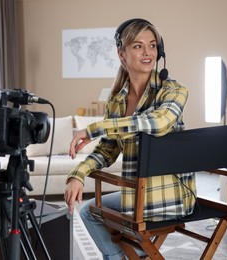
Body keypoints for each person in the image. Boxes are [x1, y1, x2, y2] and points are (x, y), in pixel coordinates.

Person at [64, 18, 197, 260]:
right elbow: (107, 150)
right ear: (121, 54)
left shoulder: (174, 90)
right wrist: (78, 174)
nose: (148, 52)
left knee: (103, 218)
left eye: (153, 45)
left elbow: (157, 122)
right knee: (89, 212)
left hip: (172, 196)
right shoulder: (117, 100)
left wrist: (94, 128)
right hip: (140, 193)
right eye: (138, 46)